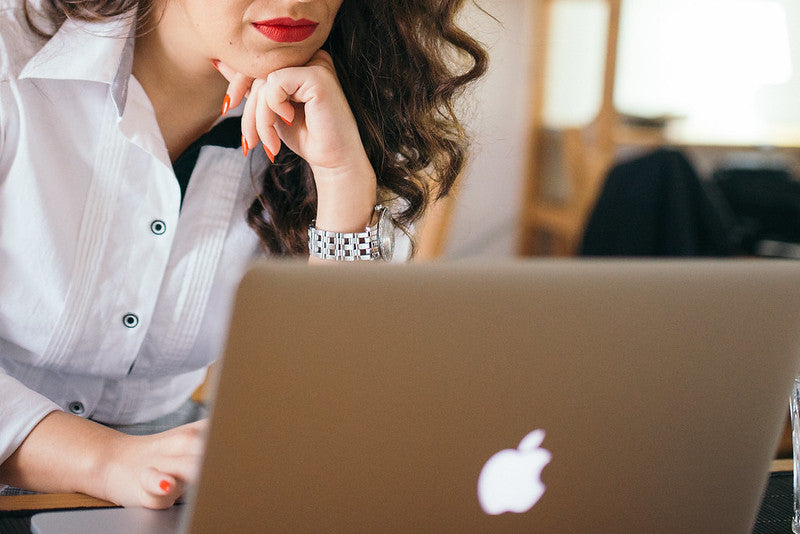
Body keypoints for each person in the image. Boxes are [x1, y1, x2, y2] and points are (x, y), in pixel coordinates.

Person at [0, 0, 487, 508]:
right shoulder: (12, 59)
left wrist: (341, 180)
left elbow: (332, 400)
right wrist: (105, 460)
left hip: (176, 488)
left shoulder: (344, 99)